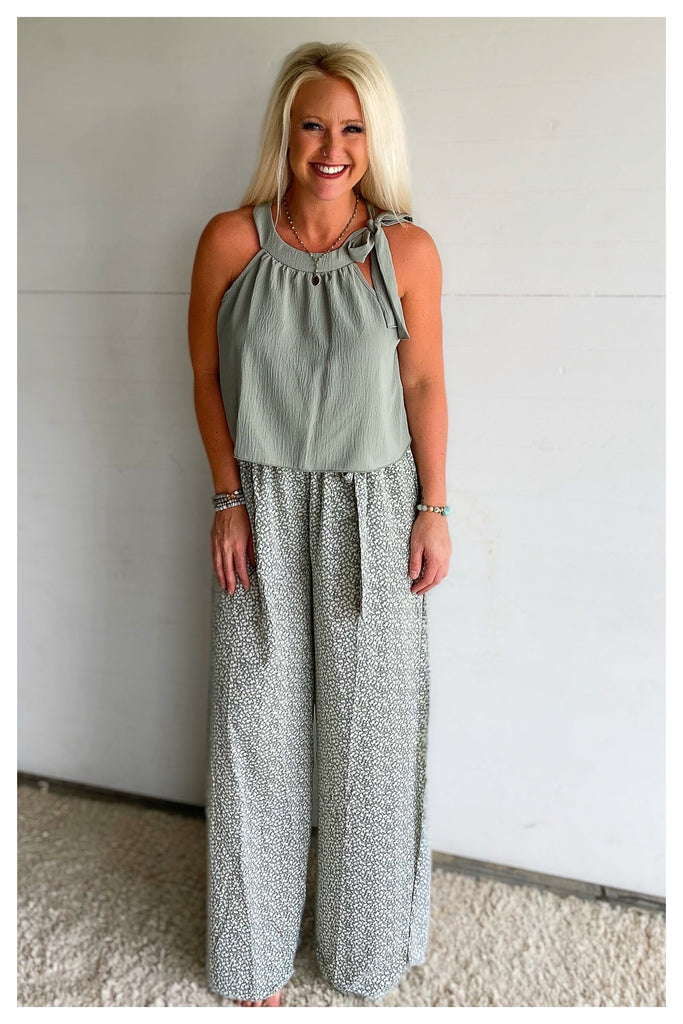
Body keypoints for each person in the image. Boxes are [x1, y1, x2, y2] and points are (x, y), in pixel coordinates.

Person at [188, 40, 451, 1007]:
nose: (331, 148)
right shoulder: (230, 241)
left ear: (374, 140)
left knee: (369, 741)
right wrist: (226, 499)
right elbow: (205, 374)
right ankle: (252, 955)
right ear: (285, 132)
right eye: (313, 125)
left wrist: (433, 509)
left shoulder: (405, 251)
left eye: (351, 128)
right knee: (253, 735)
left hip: (374, 509)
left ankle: (363, 953)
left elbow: (423, 385)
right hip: (259, 506)